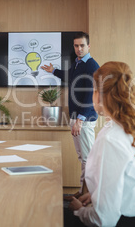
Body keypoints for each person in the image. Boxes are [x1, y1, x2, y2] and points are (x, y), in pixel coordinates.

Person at [67, 61, 135, 227]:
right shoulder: (130, 129)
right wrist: (95, 195)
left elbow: (103, 220)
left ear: (100, 96)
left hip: (123, 222)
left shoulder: (110, 139)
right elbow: (126, 182)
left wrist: (80, 210)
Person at [41, 32, 100, 196]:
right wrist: (54, 71)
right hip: (77, 118)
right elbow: (70, 76)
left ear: (89, 46)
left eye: (82, 45)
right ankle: (82, 191)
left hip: (84, 119)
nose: (79, 49)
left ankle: (88, 195)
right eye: (76, 46)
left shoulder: (91, 66)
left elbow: (90, 94)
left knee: (89, 160)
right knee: (83, 158)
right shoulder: (78, 64)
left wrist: (80, 120)